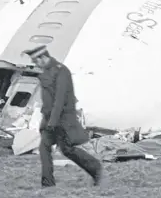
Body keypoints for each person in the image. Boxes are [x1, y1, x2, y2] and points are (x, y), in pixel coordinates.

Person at [22, 45, 104, 187]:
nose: (35, 64)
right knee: (44, 148)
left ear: (43, 57)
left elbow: (59, 99)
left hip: (62, 119)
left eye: (36, 60)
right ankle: (47, 183)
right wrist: (46, 120)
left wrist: (52, 122)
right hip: (49, 118)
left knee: (67, 150)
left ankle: (95, 168)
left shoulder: (61, 71)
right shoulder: (46, 72)